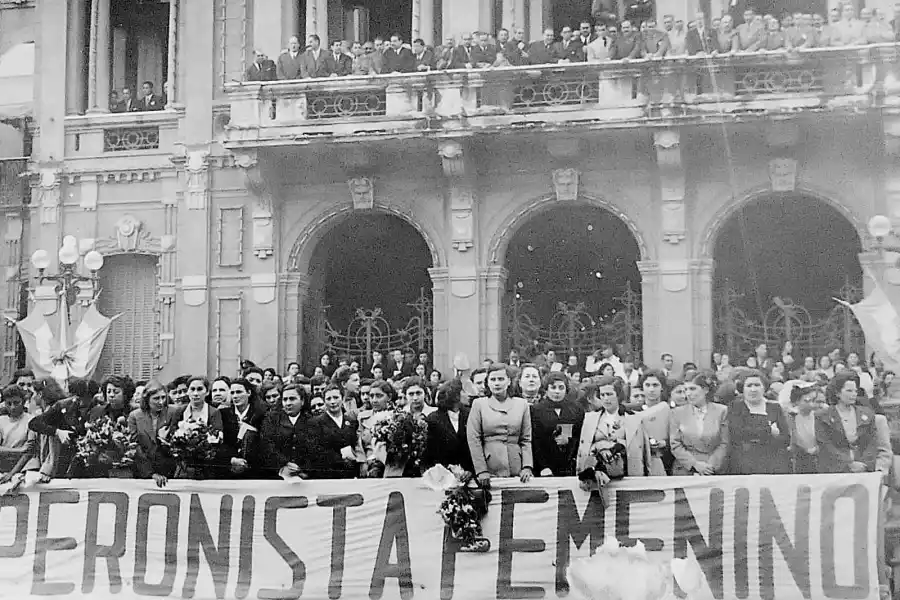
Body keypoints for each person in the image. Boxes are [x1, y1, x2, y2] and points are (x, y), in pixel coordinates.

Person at [575, 375, 651, 491]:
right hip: (598, 479)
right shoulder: (590, 418)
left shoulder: (634, 418)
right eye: (602, 395)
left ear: (618, 395)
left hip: (628, 475)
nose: (606, 399)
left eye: (609, 394)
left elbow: (644, 452)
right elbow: (583, 449)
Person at [466, 363, 534, 485]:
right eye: (493, 379)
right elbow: (473, 440)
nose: (497, 383)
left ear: (508, 381)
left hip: (516, 467)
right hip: (490, 467)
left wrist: (527, 466)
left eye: (501, 379)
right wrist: (481, 470)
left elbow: (526, 439)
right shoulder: (479, 405)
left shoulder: (522, 404)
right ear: (488, 383)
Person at [816, 371, 892, 474]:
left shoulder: (867, 414)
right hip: (835, 470)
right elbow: (826, 445)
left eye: (855, 391)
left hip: (864, 469)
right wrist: (848, 463)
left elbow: (872, 443)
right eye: (849, 391)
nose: (853, 394)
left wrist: (864, 464)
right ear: (837, 393)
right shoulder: (823, 416)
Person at [727, 370, 791, 474]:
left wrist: (755, 434)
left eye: (757, 385)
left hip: (772, 462)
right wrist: (769, 430)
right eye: (749, 385)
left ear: (764, 388)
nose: (753, 389)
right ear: (742, 389)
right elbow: (737, 433)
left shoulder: (775, 407)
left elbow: (785, 438)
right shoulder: (735, 407)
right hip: (743, 464)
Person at [669, 373, 729, 476]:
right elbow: (675, 444)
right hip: (685, 469)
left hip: (713, 469)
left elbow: (725, 443)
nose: (687, 394)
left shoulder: (722, 411)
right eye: (685, 390)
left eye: (692, 389)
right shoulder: (677, 413)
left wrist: (710, 466)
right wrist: (695, 464)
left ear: (705, 390)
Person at [532, 372, 584, 477]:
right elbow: (535, 441)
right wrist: (543, 466)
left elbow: (580, 435)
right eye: (553, 387)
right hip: (546, 466)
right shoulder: (536, 410)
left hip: (570, 464)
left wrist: (569, 441)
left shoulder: (576, 409)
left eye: (561, 388)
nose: (557, 391)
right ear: (546, 389)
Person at [423, 379, 472, 471]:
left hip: (469, 472)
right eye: (464, 391)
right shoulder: (434, 419)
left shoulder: (471, 414)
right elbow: (432, 451)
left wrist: (469, 470)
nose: (468, 395)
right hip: (443, 473)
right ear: (455, 396)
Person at [127, 380, 170, 479]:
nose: (160, 402)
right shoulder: (135, 416)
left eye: (163, 397)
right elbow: (136, 446)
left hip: (168, 471)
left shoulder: (172, 412)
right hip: (143, 471)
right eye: (156, 398)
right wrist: (151, 474)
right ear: (147, 399)